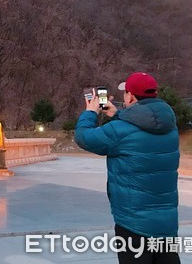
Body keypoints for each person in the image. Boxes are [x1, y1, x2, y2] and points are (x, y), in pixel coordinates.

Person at [75, 72, 180, 264]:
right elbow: (141, 127)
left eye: (126, 93)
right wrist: (118, 114)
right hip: (167, 222)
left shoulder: (119, 131)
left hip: (133, 224)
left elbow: (84, 137)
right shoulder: (170, 127)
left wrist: (90, 112)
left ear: (130, 96)